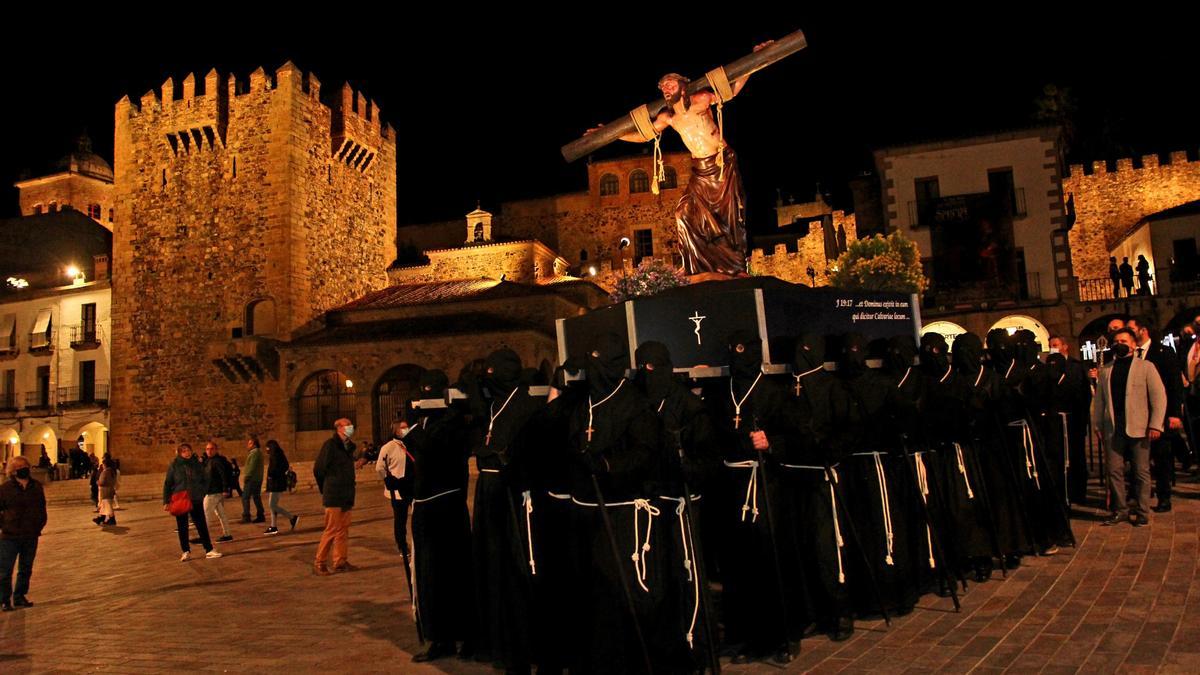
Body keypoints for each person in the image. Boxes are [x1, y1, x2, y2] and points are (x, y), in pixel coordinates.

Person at [599, 43, 772, 275]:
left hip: (721, 165)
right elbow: (644, 134)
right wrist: (614, 135)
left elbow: (731, 90)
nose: (666, 90)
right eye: (662, 88)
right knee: (683, 214)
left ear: (683, 85)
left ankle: (735, 265)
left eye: (670, 84)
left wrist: (755, 58)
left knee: (728, 217)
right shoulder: (668, 116)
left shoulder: (700, 99)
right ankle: (694, 266)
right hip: (699, 170)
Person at [401, 370, 474, 664]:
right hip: (424, 508)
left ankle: (466, 635)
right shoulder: (425, 422)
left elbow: (434, 449)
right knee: (429, 575)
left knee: (455, 571)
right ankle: (439, 636)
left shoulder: (454, 422)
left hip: (447, 506)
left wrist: (412, 432)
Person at [1095, 328, 1167, 526]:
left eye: (1124, 340)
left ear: (1134, 344)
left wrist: (1155, 425)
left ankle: (1143, 511)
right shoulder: (1106, 370)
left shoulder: (1146, 367)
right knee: (1114, 471)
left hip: (1139, 427)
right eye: (1117, 340)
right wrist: (1098, 424)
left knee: (1141, 471)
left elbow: (1159, 398)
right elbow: (1100, 400)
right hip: (1114, 428)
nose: (1120, 343)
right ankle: (1121, 509)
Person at [1126, 317, 1185, 512]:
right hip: (1136, 416)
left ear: (1142, 330)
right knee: (1139, 459)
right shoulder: (1130, 355)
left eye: (1131, 328)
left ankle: (1164, 496)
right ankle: (1138, 495)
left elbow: (1174, 385)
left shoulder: (1163, 352)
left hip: (1160, 414)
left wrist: (1175, 413)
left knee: (1162, 458)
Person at [313, 418, 363, 575]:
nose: (350, 427)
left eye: (351, 424)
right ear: (339, 428)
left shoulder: (348, 447)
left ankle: (340, 561)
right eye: (347, 425)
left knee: (343, 529)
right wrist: (326, 487)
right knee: (332, 529)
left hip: (347, 493)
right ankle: (320, 562)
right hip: (334, 493)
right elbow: (319, 468)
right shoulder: (330, 445)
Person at [0, 456, 47, 611]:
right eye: (19, 467)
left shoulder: (36, 487)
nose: (24, 468)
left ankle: (20, 596)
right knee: (5, 570)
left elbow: (41, 508)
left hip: (30, 534)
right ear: (13, 472)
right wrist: (4, 525)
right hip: (9, 536)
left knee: (26, 568)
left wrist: (38, 525)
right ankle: (5, 599)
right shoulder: (5, 489)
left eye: (25, 465)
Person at [163, 443, 222, 561]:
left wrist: (202, 492)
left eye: (188, 450)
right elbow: (168, 483)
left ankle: (209, 549)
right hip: (180, 498)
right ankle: (185, 551)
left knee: (201, 524)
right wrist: (166, 500)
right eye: (184, 451)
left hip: (195, 498)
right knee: (182, 526)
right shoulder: (174, 465)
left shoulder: (197, 464)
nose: (187, 453)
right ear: (179, 453)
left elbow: (205, 478)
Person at [375, 420, 412, 557]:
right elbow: (379, 467)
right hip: (397, 491)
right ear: (395, 430)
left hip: (412, 488)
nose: (405, 429)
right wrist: (388, 480)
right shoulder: (389, 447)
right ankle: (402, 545)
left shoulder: (411, 443)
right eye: (402, 427)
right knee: (400, 520)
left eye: (406, 427)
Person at [264, 440, 298, 535]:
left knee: (272, 505)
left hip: (276, 483)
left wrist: (271, 475)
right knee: (273, 505)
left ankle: (291, 517)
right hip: (277, 483)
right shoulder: (279, 454)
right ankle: (273, 526)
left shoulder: (276, 455)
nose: (266, 449)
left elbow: (274, 468)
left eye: (267, 447)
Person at [202, 441, 234, 542]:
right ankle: (227, 534)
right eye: (207, 449)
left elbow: (223, 475)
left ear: (216, 450)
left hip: (214, 492)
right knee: (221, 514)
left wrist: (225, 489)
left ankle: (203, 537)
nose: (209, 451)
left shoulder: (216, 461)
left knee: (205, 514)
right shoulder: (209, 461)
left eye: (211, 449)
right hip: (214, 491)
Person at [240, 436, 265, 523]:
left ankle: (246, 516)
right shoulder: (256, 453)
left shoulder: (255, 453)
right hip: (257, 478)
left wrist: (247, 476)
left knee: (245, 497)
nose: (248, 445)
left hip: (252, 479)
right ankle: (260, 515)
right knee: (256, 496)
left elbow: (252, 466)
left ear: (254, 444)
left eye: (250, 443)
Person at [94, 457, 117, 526]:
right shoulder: (112, 472)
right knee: (104, 506)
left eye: (103, 464)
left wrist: (98, 482)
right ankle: (101, 518)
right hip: (110, 490)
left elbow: (103, 481)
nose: (102, 465)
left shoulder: (106, 472)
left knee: (108, 506)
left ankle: (111, 519)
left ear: (105, 465)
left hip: (106, 491)